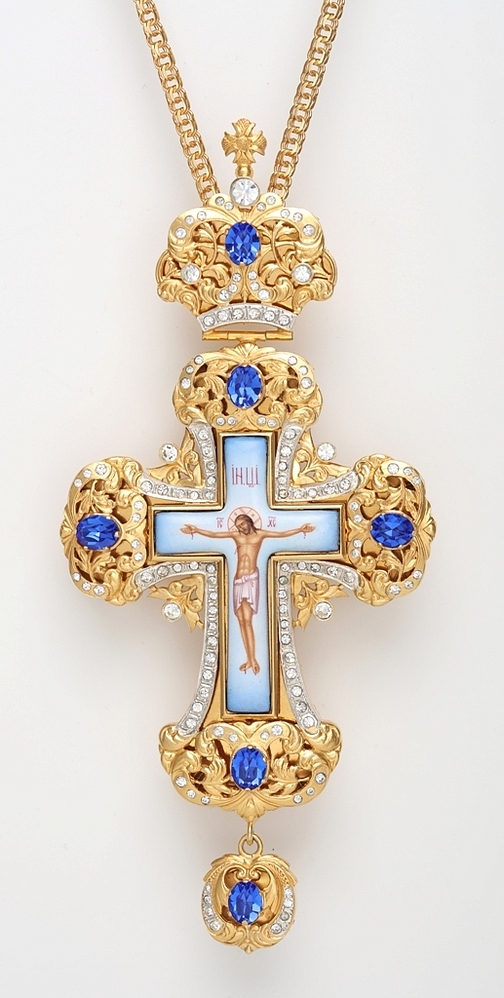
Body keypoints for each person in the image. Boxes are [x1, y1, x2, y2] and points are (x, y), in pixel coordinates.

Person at [181, 514, 315, 675]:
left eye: (242, 524)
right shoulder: (236, 535)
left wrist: (300, 529)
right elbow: (215, 534)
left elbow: (281, 534)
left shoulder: (260, 534)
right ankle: (249, 658)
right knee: (241, 620)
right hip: (238, 580)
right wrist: (196, 530)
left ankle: (253, 659)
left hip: (251, 580)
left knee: (248, 620)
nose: (240, 528)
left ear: (249, 522)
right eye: (238, 526)